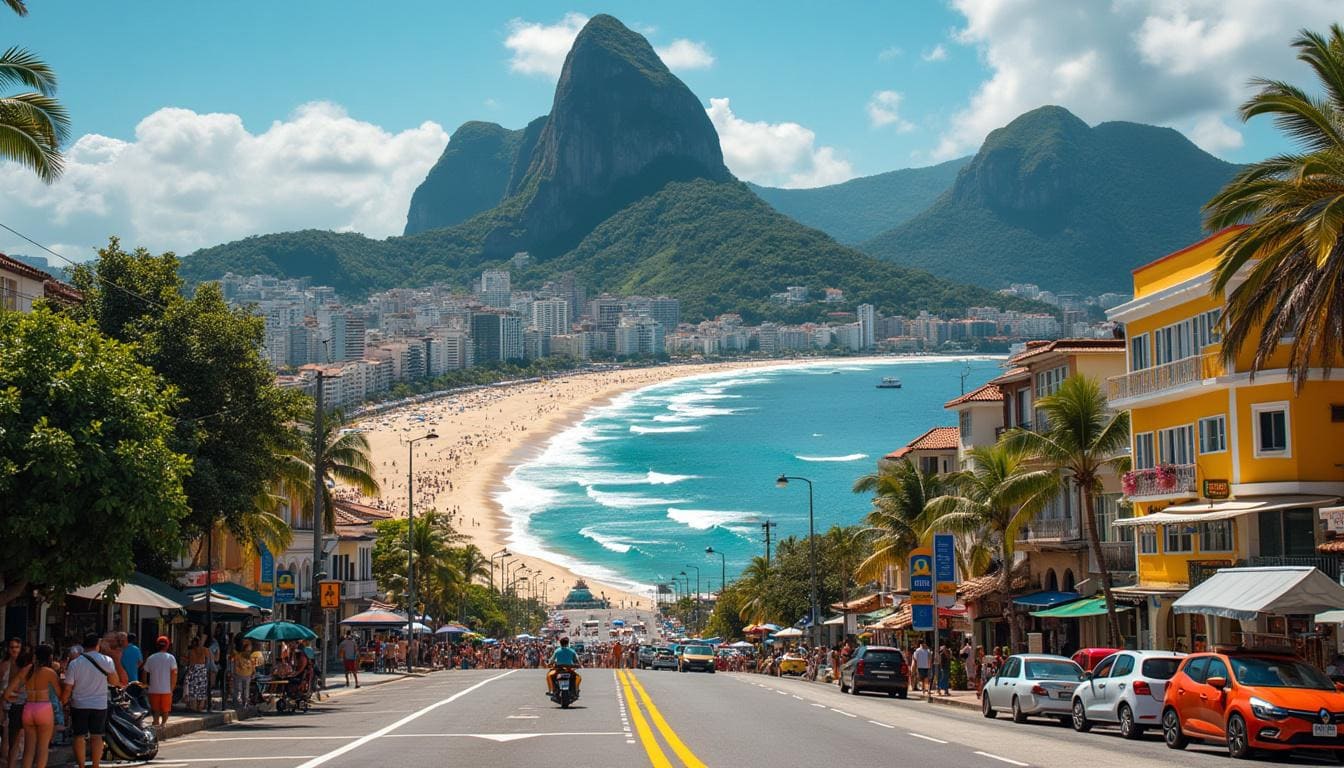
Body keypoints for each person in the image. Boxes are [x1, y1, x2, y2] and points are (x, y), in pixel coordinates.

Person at [61, 633, 119, 768]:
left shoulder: (75, 663)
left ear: (83, 647)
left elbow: (68, 687)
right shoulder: (107, 660)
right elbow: (115, 681)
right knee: (97, 736)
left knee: (79, 736)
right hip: (99, 704)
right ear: (97, 646)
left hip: (79, 704)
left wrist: (63, 701)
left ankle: (81, 765)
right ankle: (96, 765)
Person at [4, 644, 58, 768]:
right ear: (50, 657)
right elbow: (60, 694)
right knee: (43, 748)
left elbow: (7, 693)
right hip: (44, 708)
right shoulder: (50, 672)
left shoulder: (27, 669)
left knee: (28, 749)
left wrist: (14, 698)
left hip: (28, 708)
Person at [142, 637, 177, 728]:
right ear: (167, 646)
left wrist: (145, 684)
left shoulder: (151, 658)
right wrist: (172, 687)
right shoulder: (171, 658)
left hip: (153, 688)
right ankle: (163, 724)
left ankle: (156, 722)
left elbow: (145, 671)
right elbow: (174, 673)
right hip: (166, 689)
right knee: (165, 709)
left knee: (155, 709)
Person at [184, 637, 209, 713]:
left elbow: (187, 661)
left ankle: (193, 706)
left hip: (193, 669)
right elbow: (207, 660)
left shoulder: (190, 651)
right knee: (201, 689)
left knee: (193, 689)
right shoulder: (205, 650)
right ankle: (200, 706)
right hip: (202, 669)